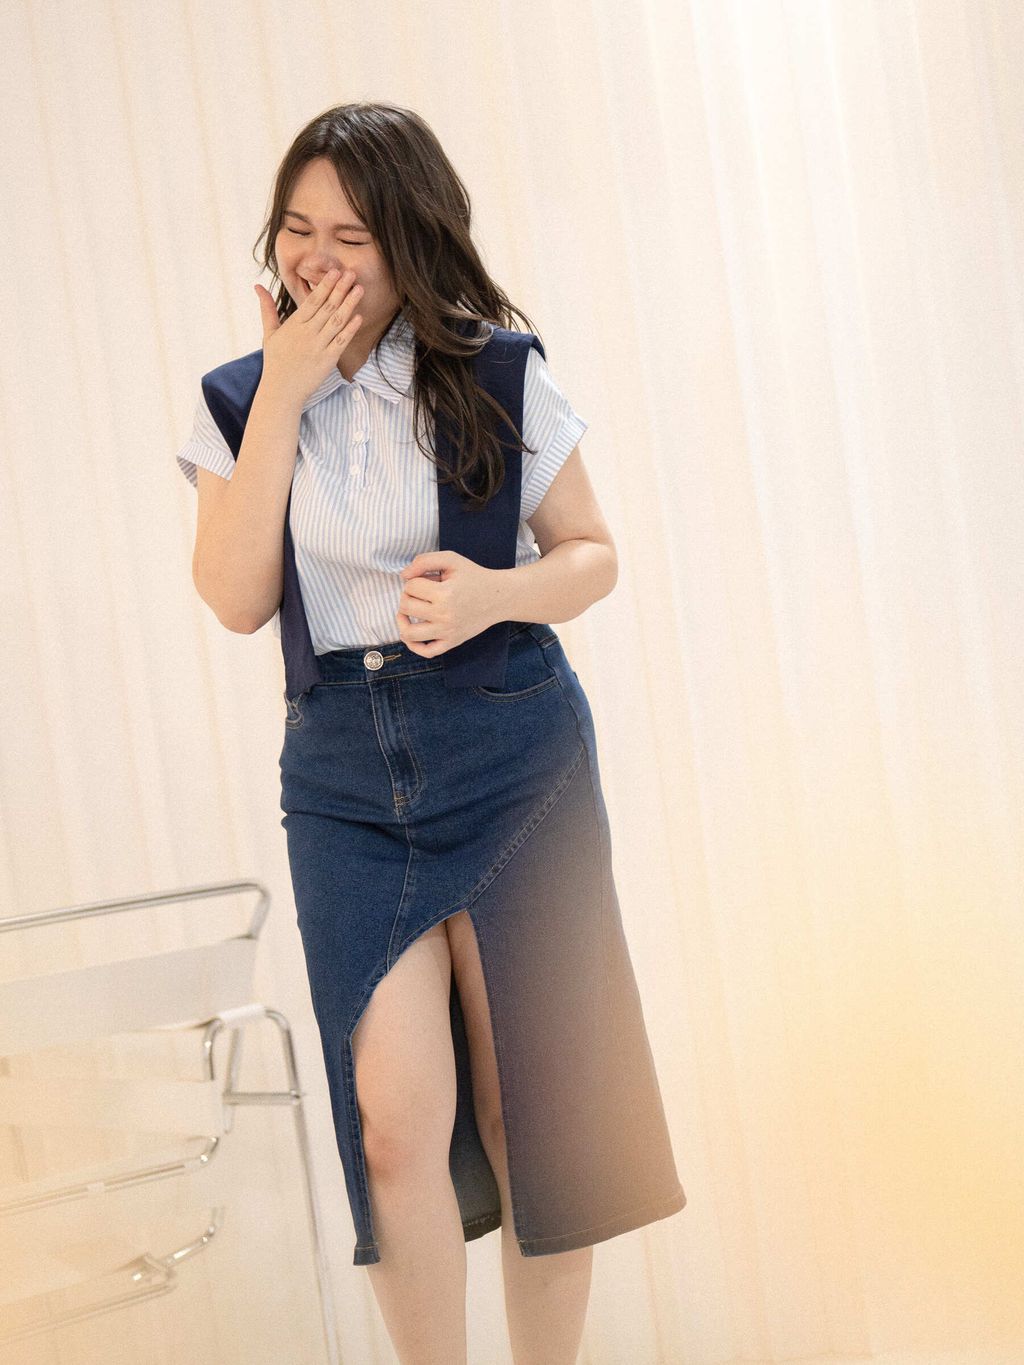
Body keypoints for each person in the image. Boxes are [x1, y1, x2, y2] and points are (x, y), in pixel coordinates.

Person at [176, 101, 685, 1365]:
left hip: (510, 747)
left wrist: (492, 592)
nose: (316, 258)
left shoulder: (495, 368)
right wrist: (285, 394)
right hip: (343, 772)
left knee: (534, 1113)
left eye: (350, 232)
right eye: (297, 228)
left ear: (409, 240)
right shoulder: (238, 400)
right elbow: (238, 598)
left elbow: (593, 555)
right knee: (394, 1124)